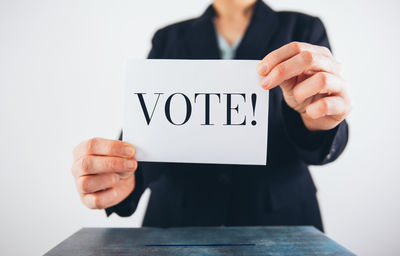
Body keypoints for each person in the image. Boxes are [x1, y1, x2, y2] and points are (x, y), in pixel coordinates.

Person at [71, 0, 351, 231]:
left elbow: (320, 115)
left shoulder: (303, 28)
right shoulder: (168, 38)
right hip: (179, 222)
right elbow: (151, 125)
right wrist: (122, 174)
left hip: (279, 219)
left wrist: (318, 122)